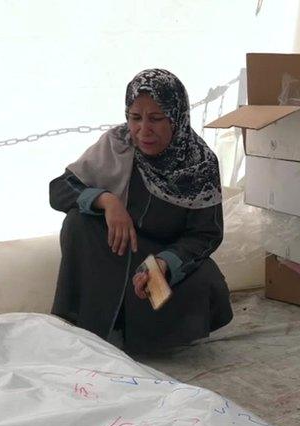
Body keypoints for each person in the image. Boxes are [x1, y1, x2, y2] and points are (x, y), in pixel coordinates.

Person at [49, 68, 233, 353]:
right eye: (135, 118)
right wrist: (107, 201)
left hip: (163, 263)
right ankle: (90, 322)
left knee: (204, 282)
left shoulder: (199, 164)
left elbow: (206, 234)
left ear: (176, 117)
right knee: (78, 223)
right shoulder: (118, 145)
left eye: (156, 119)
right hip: (119, 251)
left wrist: (165, 263)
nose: (143, 130)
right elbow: (60, 189)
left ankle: (147, 335)